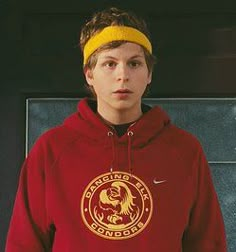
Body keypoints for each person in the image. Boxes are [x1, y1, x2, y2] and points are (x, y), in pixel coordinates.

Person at [6, 6, 227, 252]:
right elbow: (24, 244)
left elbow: (208, 243)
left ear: (149, 73)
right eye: (110, 64)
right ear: (89, 74)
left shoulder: (185, 150)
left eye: (134, 63)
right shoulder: (50, 150)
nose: (123, 75)